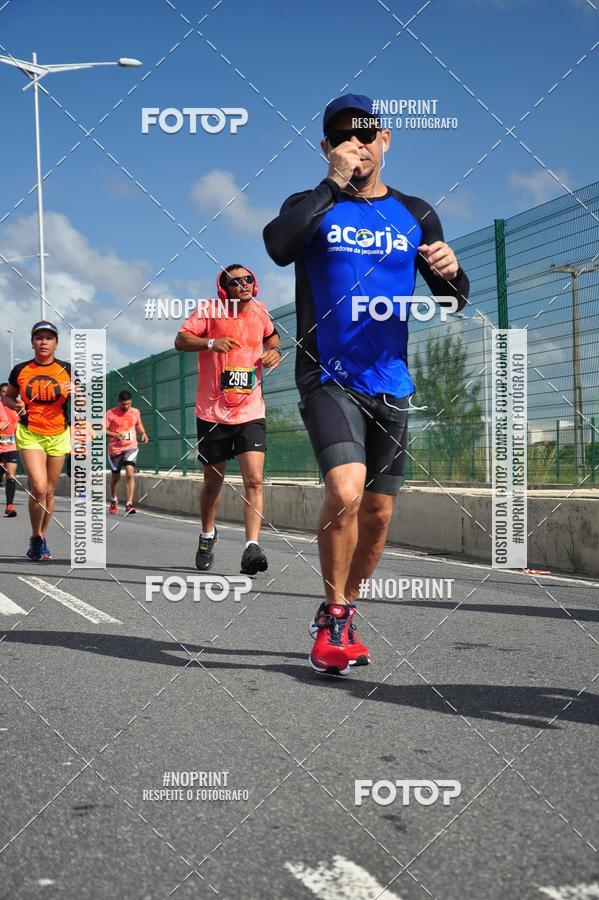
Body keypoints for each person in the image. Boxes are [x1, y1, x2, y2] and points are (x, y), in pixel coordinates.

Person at [264, 93, 469, 675]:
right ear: (328, 148)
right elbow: (279, 247)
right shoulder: (309, 206)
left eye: (367, 133)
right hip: (327, 374)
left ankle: (345, 606)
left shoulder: (415, 212)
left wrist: (455, 271)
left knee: (378, 513)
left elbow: (451, 299)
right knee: (347, 490)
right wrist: (330, 185)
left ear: (386, 141)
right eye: (342, 136)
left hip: (391, 380)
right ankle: (332, 614)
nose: (358, 142)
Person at [174, 265, 281, 575]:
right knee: (213, 482)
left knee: (255, 480)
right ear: (224, 289)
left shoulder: (260, 312)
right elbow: (181, 340)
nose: (243, 284)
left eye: (248, 278)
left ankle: (252, 547)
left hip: (250, 411)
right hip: (213, 413)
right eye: (235, 282)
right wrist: (210, 343)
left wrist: (274, 353)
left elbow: (272, 340)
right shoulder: (210, 310)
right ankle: (207, 535)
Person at [4, 322, 72, 560]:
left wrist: (77, 391)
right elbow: (8, 397)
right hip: (31, 433)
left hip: (58, 434)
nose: (44, 342)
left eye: (49, 338)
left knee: (51, 491)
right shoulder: (21, 370)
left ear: (56, 343)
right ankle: (35, 536)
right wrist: (16, 405)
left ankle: (42, 536)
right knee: (39, 488)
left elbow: (86, 403)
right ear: (32, 342)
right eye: (39, 338)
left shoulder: (67, 369)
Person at [104, 390, 148, 515]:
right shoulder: (111, 413)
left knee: (130, 471)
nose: (126, 407)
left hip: (131, 446)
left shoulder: (135, 412)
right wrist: (114, 435)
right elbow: (102, 429)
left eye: (128, 404)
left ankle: (129, 504)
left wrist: (143, 433)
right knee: (116, 476)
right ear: (119, 402)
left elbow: (138, 423)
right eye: (124, 404)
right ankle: (113, 500)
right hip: (115, 449)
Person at [0, 382, 20, 517]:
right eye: (3, 392)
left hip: (11, 446)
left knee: (11, 475)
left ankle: (9, 506)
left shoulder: (18, 407)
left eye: (9, 392)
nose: (7, 394)